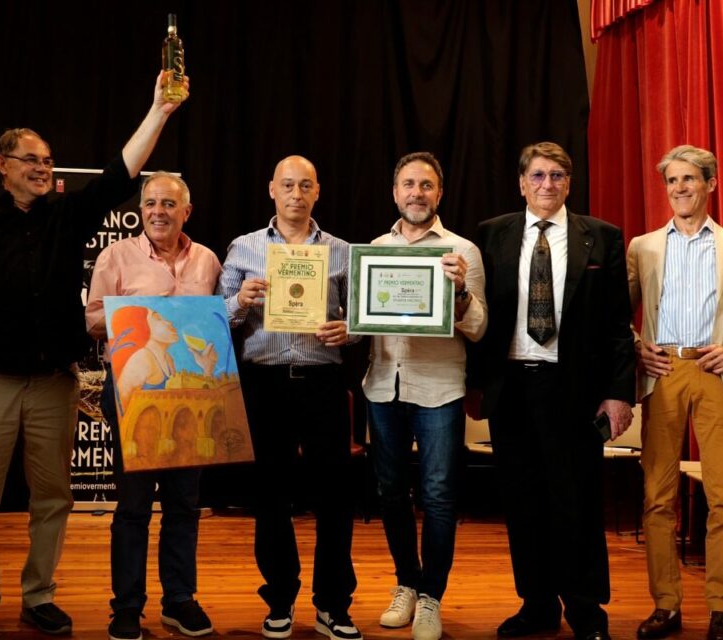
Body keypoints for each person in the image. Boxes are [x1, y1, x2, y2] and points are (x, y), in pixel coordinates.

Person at [0, 71, 188, 640]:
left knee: (53, 497)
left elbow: (121, 172)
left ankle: (39, 594)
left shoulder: (68, 215)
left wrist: (159, 111)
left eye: (48, 160)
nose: (43, 168)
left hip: (52, 381)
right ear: (2, 164)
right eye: (30, 159)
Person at [469, 142, 635, 640]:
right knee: (522, 503)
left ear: (569, 182)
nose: (547, 185)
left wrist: (619, 393)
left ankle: (585, 609)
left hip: (575, 389)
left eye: (557, 175)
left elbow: (617, 326)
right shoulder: (491, 235)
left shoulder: (601, 238)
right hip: (513, 387)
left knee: (577, 502)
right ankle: (536, 605)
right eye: (537, 176)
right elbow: (480, 319)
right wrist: (477, 385)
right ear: (521, 182)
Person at [627, 145, 723, 640]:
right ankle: (666, 606)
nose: (680, 188)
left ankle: (721, 609)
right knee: (658, 498)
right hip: (663, 370)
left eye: (690, 179)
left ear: (710, 184)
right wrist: (636, 348)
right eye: (672, 181)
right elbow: (615, 317)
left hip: (717, 371)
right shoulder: (643, 246)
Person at [219, 155, 361, 640]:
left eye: (305, 186)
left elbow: (363, 323)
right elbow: (217, 319)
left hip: (323, 383)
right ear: (271, 190)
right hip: (265, 383)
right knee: (271, 497)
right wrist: (240, 302)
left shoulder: (343, 252)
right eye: (287, 185)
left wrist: (350, 331)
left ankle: (333, 605)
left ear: (317, 191)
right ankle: (279, 598)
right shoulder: (243, 248)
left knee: (334, 499)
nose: (296, 194)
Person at [85, 172, 221, 640]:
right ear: (140, 209)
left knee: (184, 503)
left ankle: (179, 600)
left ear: (187, 211)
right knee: (133, 507)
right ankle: (126, 606)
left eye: (168, 203)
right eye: (150, 203)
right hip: (132, 394)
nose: (157, 211)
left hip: (188, 395)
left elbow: (218, 324)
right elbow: (93, 321)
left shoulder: (207, 260)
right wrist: (140, 312)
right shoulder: (115, 255)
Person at [362, 152, 486, 640]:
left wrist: (458, 292)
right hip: (382, 385)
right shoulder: (373, 248)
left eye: (427, 185)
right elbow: (364, 319)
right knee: (390, 493)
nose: (417, 193)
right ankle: (406, 584)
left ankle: (432, 596)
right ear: (395, 192)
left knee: (437, 495)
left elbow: (478, 328)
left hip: (439, 387)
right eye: (408, 184)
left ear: (440, 193)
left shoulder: (463, 251)